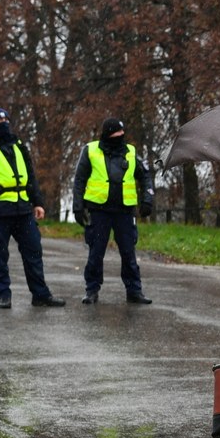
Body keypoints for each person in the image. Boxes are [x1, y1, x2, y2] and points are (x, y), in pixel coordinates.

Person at [0, 107, 65, 308]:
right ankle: (4, 294)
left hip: (24, 211)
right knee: (0, 254)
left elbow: (30, 175)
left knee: (34, 252)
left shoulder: (18, 145)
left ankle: (40, 295)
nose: (3, 126)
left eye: (5, 122)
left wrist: (38, 202)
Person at [72, 118, 156, 304]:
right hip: (99, 210)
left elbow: (145, 178)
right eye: (116, 135)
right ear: (107, 135)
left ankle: (134, 291)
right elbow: (79, 180)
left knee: (128, 253)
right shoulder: (91, 150)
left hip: (124, 211)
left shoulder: (131, 152)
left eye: (121, 135)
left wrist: (147, 200)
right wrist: (77, 207)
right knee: (96, 252)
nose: (120, 138)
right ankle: (92, 290)